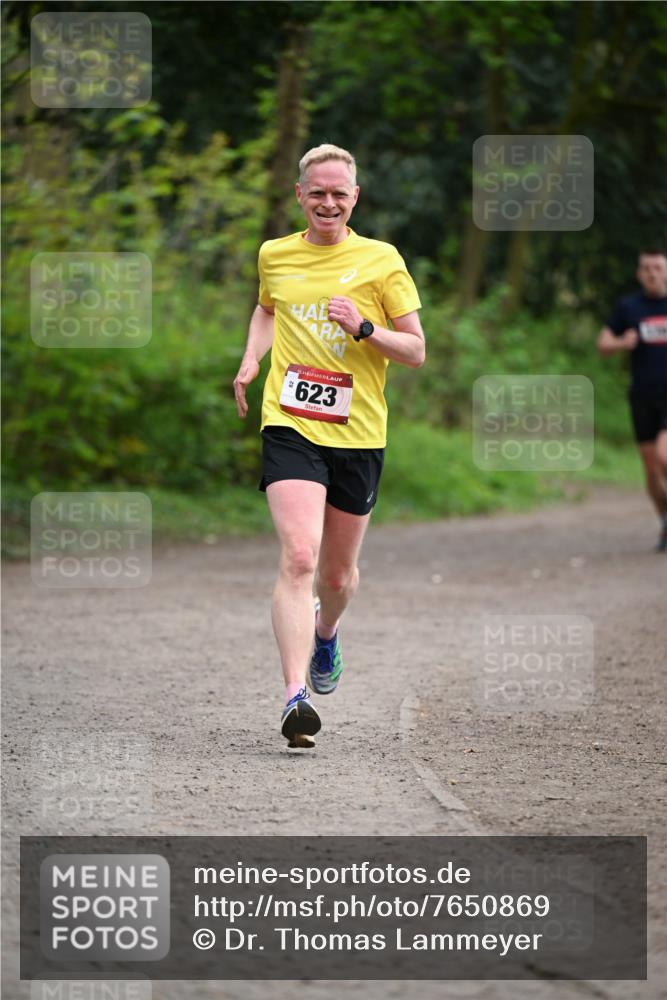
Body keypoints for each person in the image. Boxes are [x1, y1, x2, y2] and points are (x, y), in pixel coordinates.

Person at [233, 143, 425, 747]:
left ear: (355, 199)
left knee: (336, 576)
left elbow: (416, 351)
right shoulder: (276, 254)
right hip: (290, 422)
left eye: (339, 193)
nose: (328, 202)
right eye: (317, 191)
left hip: (359, 434)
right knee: (298, 557)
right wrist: (251, 357)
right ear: (300, 195)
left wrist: (365, 329)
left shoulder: (381, 259)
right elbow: (266, 310)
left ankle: (327, 633)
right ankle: (294, 697)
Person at [597, 249, 667, 551]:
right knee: (651, 468)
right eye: (646, 268)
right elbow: (603, 344)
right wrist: (622, 342)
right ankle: (665, 520)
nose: (651, 273)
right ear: (639, 273)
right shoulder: (628, 306)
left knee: (665, 456)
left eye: (657, 267)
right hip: (642, 395)